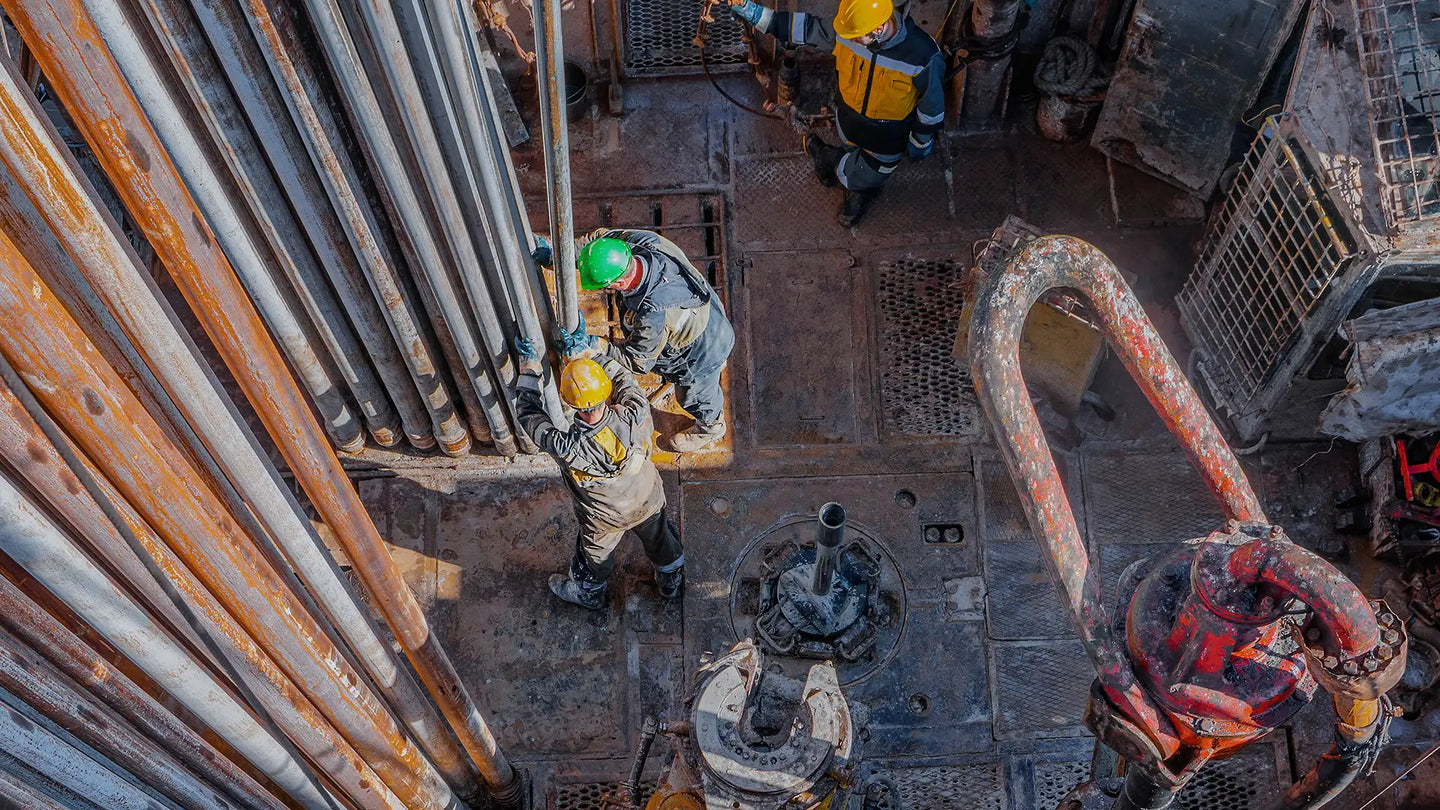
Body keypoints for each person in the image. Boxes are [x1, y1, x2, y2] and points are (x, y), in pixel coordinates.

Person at [729, 0, 944, 227]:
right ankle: (848, 167)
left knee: (861, 175)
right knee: (852, 151)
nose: (847, 40)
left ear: (878, 30)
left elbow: (931, 110)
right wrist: (749, 10)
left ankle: (828, 159)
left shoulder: (923, 56)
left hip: (887, 139)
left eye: (854, 36)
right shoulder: (852, 31)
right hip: (847, 121)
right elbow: (803, 27)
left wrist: (920, 143)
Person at [515, 340, 685, 609]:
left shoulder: (566, 448)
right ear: (605, 392)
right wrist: (589, 354)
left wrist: (529, 370)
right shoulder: (635, 413)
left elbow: (528, 415)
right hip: (647, 500)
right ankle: (671, 582)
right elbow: (623, 379)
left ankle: (589, 595)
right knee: (661, 539)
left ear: (572, 405)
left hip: (604, 519)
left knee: (593, 559)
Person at [575, 228, 734, 453]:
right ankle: (716, 367)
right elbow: (602, 237)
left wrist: (595, 345)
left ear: (618, 284)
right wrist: (559, 255)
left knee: (693, 396)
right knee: (706, 370)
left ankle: (710, 426)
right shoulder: (642, 243)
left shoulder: (653, 315)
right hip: (708, 314)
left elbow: (639, 362)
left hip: (702, 352)